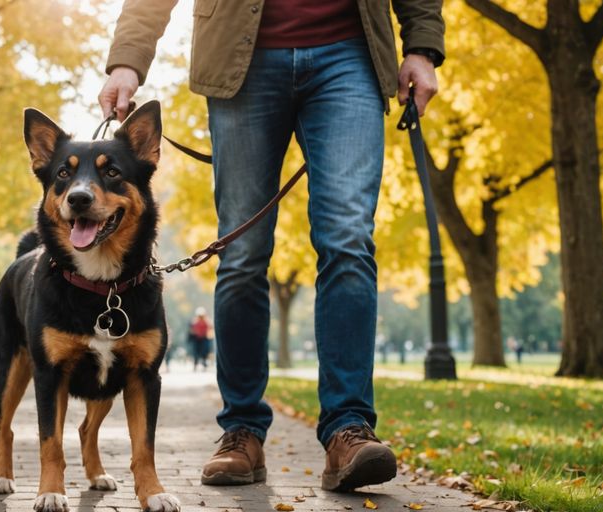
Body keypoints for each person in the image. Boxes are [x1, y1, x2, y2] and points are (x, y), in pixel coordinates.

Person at [99, 0, 443, 491]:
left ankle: (348, 428)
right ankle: (241, 431)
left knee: (348, 240)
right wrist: (127, 61)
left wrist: (422, 45)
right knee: (241, 254)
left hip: (351, 53)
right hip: (241, 57)